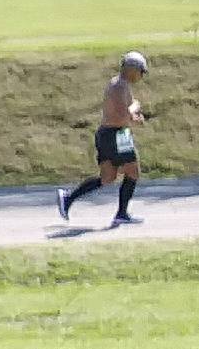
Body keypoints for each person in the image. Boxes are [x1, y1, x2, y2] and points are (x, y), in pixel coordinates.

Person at [59, 51, 148, 227]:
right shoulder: (118, 87)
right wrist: (135, 107)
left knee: (108, 177)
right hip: (115, 134)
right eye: (140, 71)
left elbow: (124, 116)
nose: (141, 76)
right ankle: (121, 214)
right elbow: (121, 117)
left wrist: (135, 117)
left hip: (115, 133)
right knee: (133, 172)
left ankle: (69, 198)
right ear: (131, 69)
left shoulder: (122, 85)